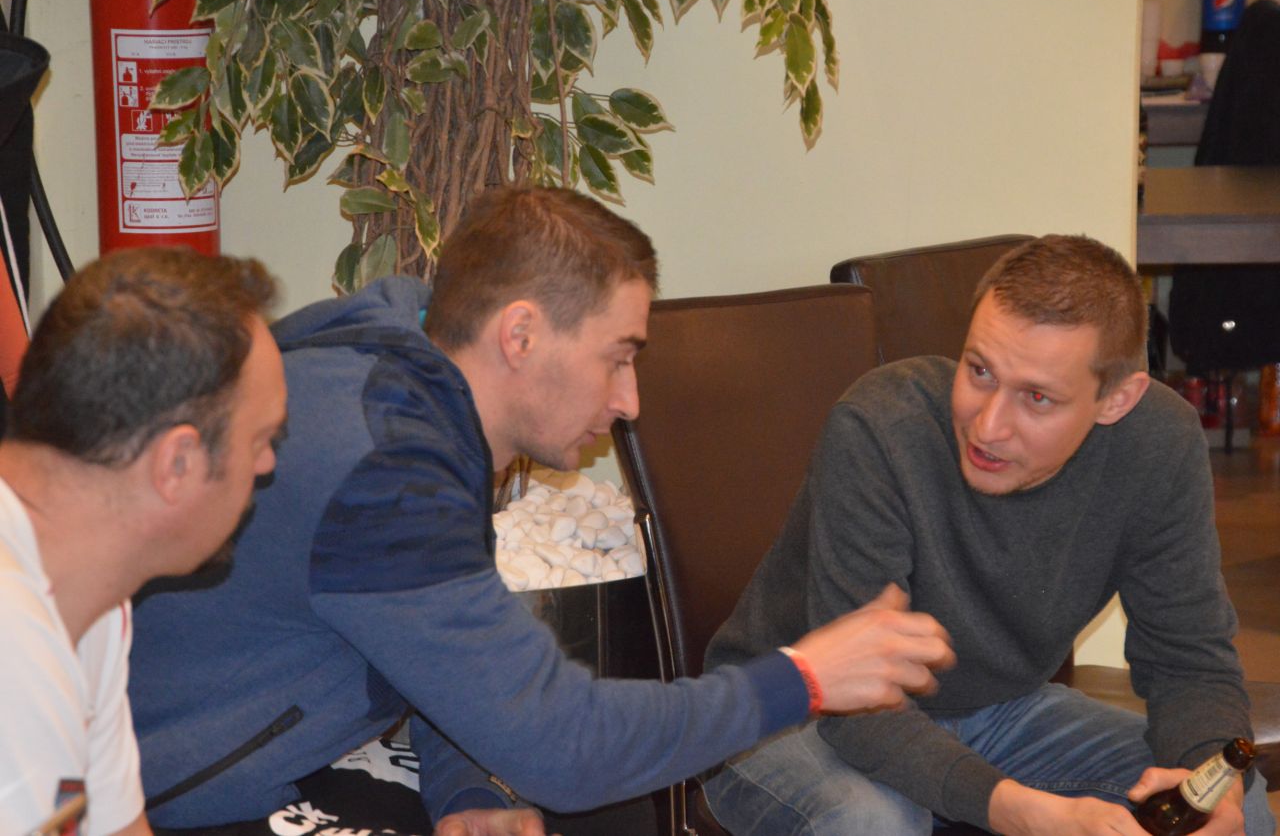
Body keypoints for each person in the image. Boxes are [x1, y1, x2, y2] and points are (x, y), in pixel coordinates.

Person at [127, 186, 955, 835]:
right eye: (617, 357)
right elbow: (566, 748)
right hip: (154, 796)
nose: (629, 401)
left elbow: (440, 655)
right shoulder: (386, 465)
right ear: (519, 334)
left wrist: (467, 788)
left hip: (253, 751)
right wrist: (804, 676)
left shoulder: (412, 369)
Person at [703, 234, 1277, 836]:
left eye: (1037, 397)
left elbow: (1188, 662)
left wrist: (1212, 781)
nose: (988, 426)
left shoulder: (1159, 444)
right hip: (795, 712)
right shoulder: (881, 429)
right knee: (872, 823)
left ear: (1116, 399)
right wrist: (1017, 809)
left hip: (999, 712)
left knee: (1237, 806)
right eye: (979, 370)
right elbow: (860, 706)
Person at [0, 248, 287, 836]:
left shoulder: (91, 599)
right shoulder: (15, 644)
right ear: (177, 463)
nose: (267, 466)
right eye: (260, 440)